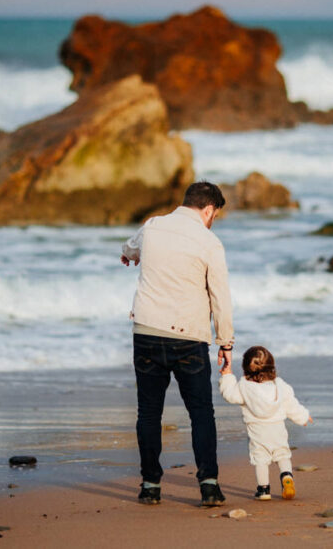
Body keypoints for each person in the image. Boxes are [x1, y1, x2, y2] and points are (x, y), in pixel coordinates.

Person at [120, 181, 234, 507]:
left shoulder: (153, 226)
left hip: (147, 331)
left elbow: (129, 247)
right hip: (189, 337)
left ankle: (150, 485)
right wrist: (225, 343)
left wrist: (130, 256)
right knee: (200, 413)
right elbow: (221, 299)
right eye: (214, 215)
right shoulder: (210, 242)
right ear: (209, 209)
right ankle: (209, 484)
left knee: (149, 413)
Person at [218, 345, 311, 501]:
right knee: (282, 454)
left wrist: (227, 376)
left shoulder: (243, 387)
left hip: (257, 431)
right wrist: (303, 417)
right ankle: (287, 477)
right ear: (271, 366)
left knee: (260, 459)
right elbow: (291, 405)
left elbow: (230, 395)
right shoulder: (280, 386)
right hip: (277, 429)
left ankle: (264, 490)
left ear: (245, 368)